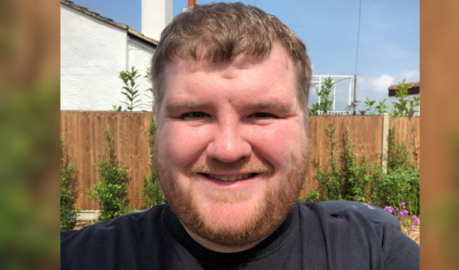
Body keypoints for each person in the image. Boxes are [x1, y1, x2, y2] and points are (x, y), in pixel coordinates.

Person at [61, 3, 419, 269]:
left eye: (262, 114)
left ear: (306, 125)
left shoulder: (376, 253)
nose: (228, 149)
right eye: (194, 114)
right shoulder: (79, 258)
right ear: (157, 125)